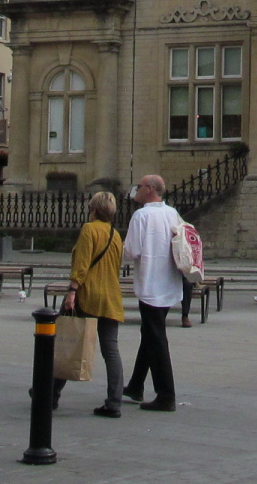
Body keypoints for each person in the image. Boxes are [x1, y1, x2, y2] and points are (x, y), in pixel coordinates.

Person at [55, 191, 125, 418]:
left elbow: (82, 264)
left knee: (66, 341)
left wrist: (72, 290)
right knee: (111, 350)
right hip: (111, 297)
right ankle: (114, 401)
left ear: (93, 209)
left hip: (88, 294)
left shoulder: (89, 229)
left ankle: (49, 393)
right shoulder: (115, 234)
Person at [121, 174, 179, 411]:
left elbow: (132, 251)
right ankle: (136, 385)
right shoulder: (172, 213)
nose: (136, 190)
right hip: (169, 282)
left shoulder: (142, 215)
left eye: (140, 186)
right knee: (150, 333)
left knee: (156, 337)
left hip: (151, 282)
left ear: (150, 189)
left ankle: (166, 394)